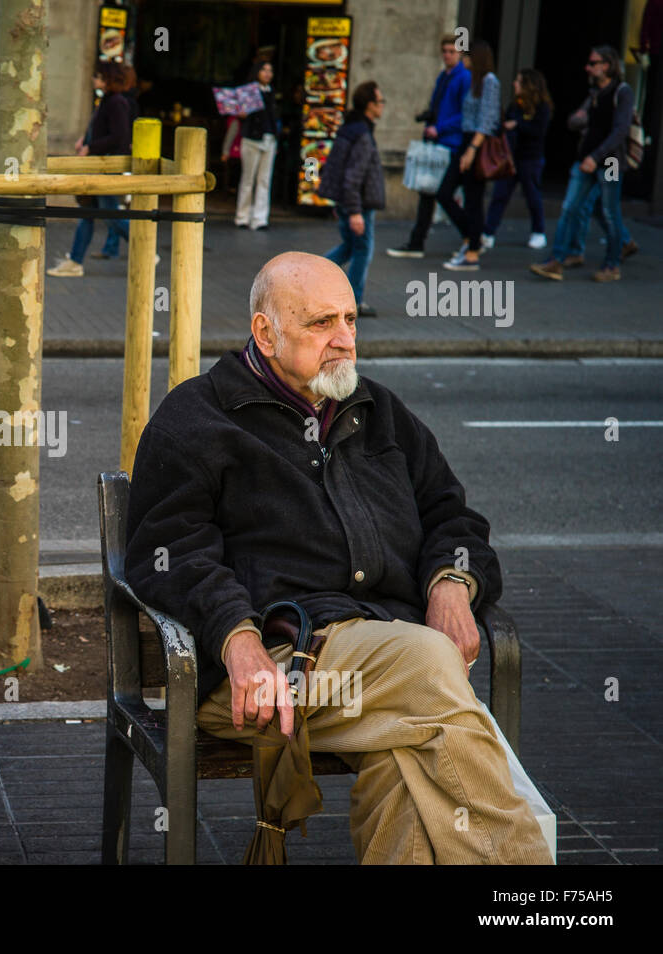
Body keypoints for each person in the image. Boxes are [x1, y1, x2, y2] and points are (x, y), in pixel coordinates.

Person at [123, 251, 554, 865]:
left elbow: (452, 516)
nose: (345, 340)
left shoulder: (379, 413)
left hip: (386, 670)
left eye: (351, 320)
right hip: (272, 672)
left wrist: (451, 583)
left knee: (403, 766)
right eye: (321, 323)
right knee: (431, 665)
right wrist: (238, 640)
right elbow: (170, 553)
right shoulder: (198, 419)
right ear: (265, 333)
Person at [532, 46, 633, 282]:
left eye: (593, 62)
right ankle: (556, 261)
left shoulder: (622, 92)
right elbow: (576, 121)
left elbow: (620, 131)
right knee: (569, 207)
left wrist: (595, 157)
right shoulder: (594, 93)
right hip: (586, 158)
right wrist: (578, 121)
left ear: (606, 65)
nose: (588, 67)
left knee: (609, 211)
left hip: (609, 161)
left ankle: (612, 264)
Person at [48, 62, 138, 277]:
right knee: (89, 213)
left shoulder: (116, 102)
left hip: (105, 166)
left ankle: (144, 246)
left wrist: (91, 146)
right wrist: (84, 140)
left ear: (107, 79)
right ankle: (75, 261)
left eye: (98, 76)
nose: (94, 79)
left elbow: (119, 136)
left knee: (109, 214)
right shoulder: (107, 101)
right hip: (98, 165)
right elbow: (101, 130)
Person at [387, 36, 470, 258]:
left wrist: (440, 127)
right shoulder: (445, 76)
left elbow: (465, 114)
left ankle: (472, 235)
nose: (447, 55)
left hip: (451, 145)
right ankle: (417, 242)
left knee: (443, 195)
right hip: (438, 143)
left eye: (451, 51)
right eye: (444, 51)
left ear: (460, 53)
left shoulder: (463, 78)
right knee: (428, 193)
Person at [319, 81, 385, 317]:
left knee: (349, 247)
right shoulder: (362, 135)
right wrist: (355, 211)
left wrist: (342, 203)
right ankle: (354, 302)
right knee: (362, 250)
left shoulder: (350, 128)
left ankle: (315, 273)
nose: (383, 106)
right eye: (380, 102)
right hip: (359, 204)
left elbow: (338, 169)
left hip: (348, 201)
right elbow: (353, 176)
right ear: (370, 105)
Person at [439, 41, 500, 271]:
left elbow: (487, 119)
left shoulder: (489, 81)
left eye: (467, 55)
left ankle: (472, 252)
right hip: (466, 141)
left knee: (473, 199)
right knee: (444, 192)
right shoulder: (474, 81)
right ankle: (472, 237)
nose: (464, 58)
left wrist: (472, 150)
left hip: (476, 143)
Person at [481, 68, 551, 250]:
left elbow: (538, 131)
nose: (514, 84)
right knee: (500, 195)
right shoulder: (515, 105)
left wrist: (518, 125)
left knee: (532, 196)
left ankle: (538, 232)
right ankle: (488, 232)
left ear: (529, 85)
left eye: (518, 81)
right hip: (511, 157)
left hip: (530, 158)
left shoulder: (542, 107)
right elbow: (504, 127)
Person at [234, 60, 278, 231]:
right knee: (248, 179)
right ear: (257, 72)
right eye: (264, 70)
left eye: (270, 70)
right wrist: (242, 114)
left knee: (264, 180)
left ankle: (260, 218)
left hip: (269, 139)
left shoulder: (272, 92)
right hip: (252, 138)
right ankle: (242, 216)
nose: (267, 73)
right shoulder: (248, 91)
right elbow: (240, 114)